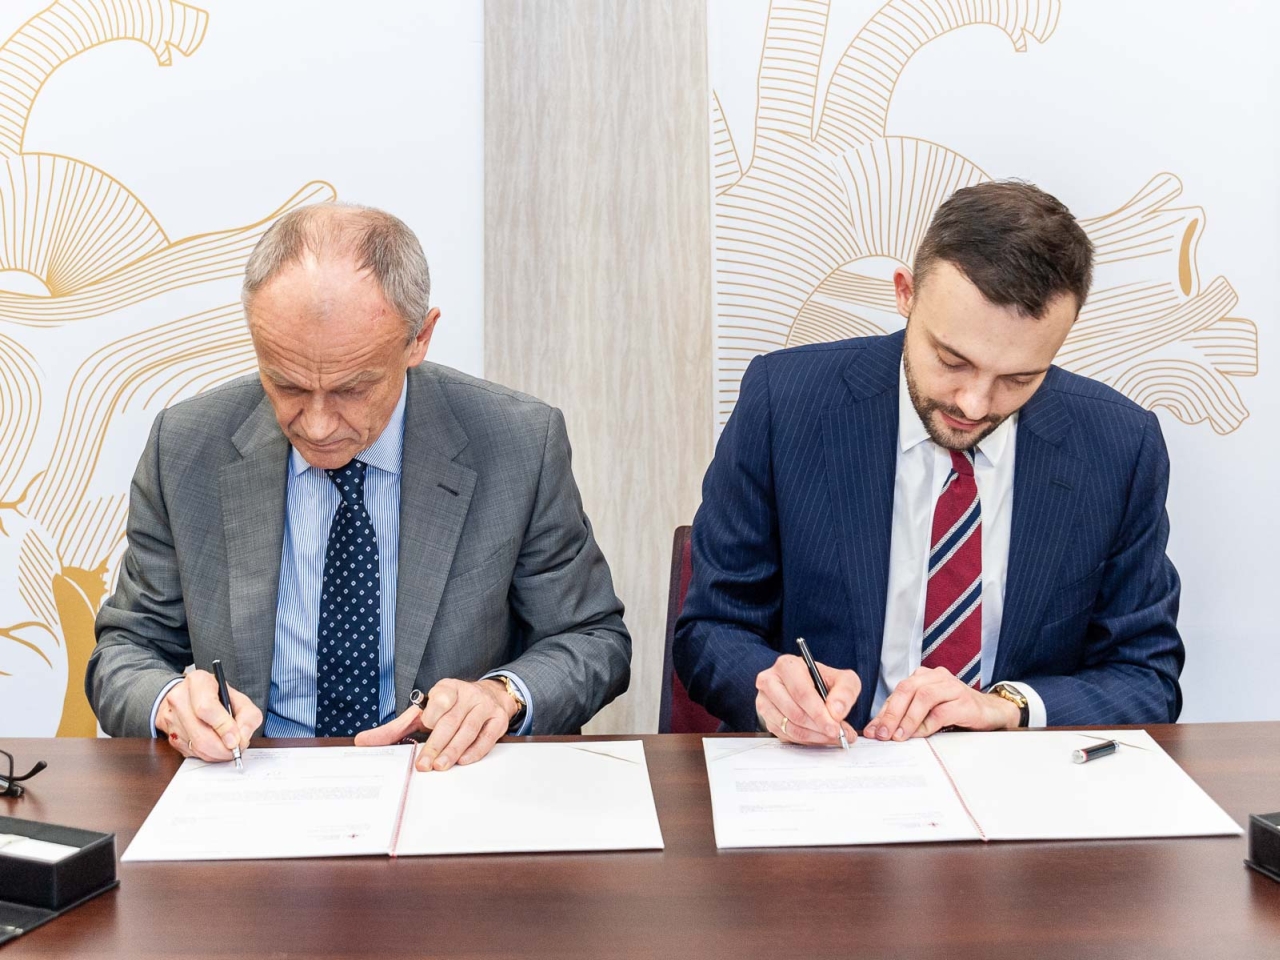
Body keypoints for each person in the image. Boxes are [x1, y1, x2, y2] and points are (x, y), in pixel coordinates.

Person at [88, 202, 631, 771]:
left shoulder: (516, 443)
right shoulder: (186, 447)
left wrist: (502, 695)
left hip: (440, 782)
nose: (318, 425)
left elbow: (592, 638)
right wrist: (169, 702)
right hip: (253, 782)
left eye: (352, 389)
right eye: (287, 385)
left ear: (419, 338)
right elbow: (126, 651)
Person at [675, 180, 1183, 746]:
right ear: (906, 293)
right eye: (952, 360)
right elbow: (710, 630)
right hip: (828, 767)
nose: (975, 404)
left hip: (1014, 781)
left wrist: (1006, 707)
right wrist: (771, 689)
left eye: (1019, 378)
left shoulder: (1119, 446)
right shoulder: (786, 403)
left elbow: (1147, 678)